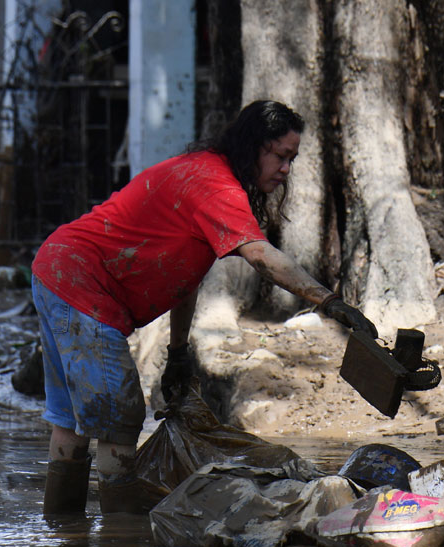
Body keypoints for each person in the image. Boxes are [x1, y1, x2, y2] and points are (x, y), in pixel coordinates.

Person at [31, 99, 377, 516]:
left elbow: (183, 279)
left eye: (292, 159)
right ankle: (119, 539)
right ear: (253, 148)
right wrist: (328, 301)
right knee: (120, 417)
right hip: (82, 283)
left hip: (55, 268)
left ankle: (61, 533)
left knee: (69, 422)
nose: (286, 169)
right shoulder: (217, 185)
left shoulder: (200, 171)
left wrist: (178, 352)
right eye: (280, 156)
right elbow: (260, 255)